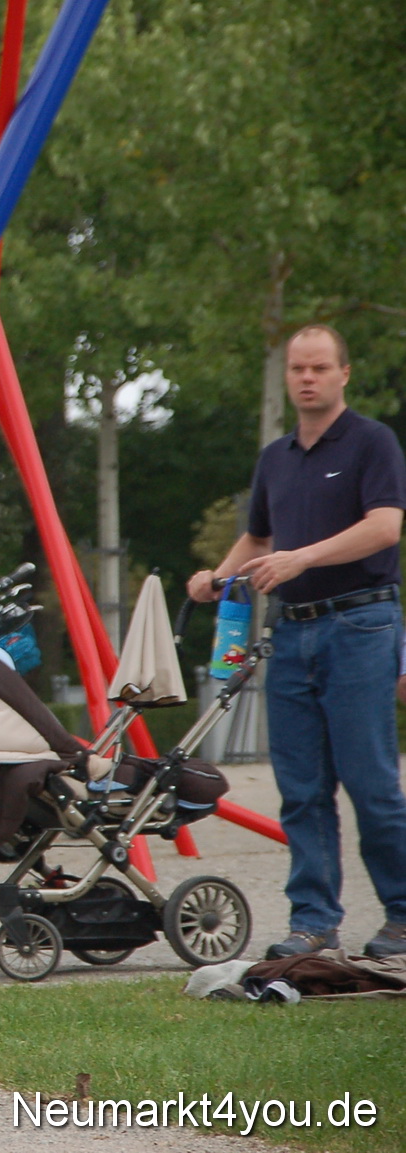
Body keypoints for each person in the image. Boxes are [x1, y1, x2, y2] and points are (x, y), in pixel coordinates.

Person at [188, 324, 406, 961]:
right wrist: (218, 579)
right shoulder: (275, 457)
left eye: (319, 368)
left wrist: (300, 558)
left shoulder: (372, 442)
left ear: (344, 374)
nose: (307, 379)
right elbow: (258, 540)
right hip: (293, 630)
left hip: (360, 624)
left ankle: (401, 914)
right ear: (288, 378)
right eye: (297, 370)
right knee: (302, 787)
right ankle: (313, 921)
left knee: (370, 781)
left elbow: (387, 527)